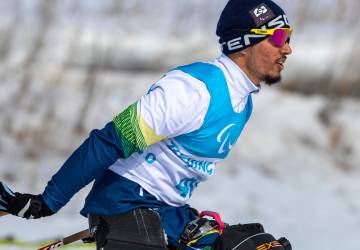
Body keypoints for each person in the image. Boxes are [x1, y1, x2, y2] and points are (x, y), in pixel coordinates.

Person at [0, 0, 293, 249]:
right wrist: (48, 202)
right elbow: (109, 140)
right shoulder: (194, 90)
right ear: (243, 43)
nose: (288, 49)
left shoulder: (243, 101)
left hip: (168, 211)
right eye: (278, 38)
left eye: (289, 37)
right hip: (124, 204)